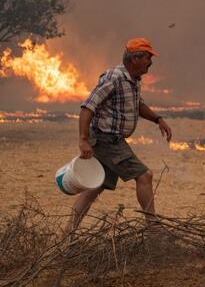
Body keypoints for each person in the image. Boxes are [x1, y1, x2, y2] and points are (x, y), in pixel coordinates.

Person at [70, 37, 173, 230]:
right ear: (135, 58)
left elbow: (138, 105)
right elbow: (87, 106)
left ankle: (68, 231)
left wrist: (158, 119)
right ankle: (153, 227)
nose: (150, 63)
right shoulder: (114, 78)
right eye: (148, 58)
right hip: (107, 140)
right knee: (144, 176)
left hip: (109, 140)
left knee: (95, 185)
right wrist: (83, 140)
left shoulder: (133, 80)